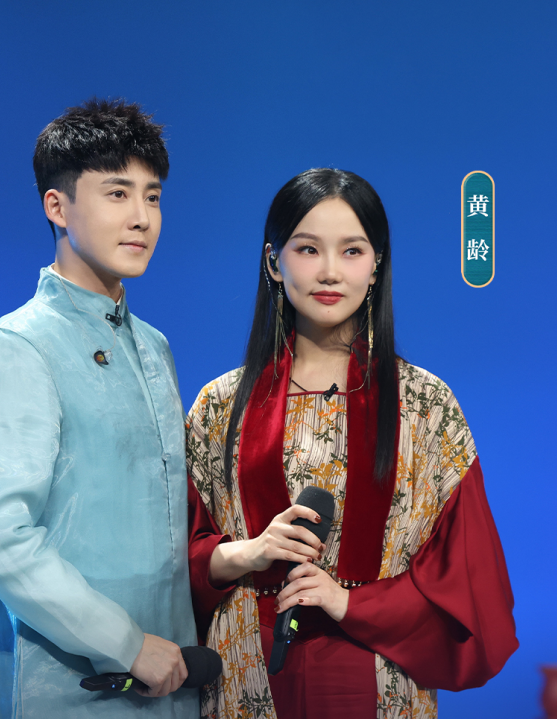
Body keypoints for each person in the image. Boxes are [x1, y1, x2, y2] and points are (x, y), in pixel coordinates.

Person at [185, 169, 518, 718]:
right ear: (274, 262)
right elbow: (171, 562)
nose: (330, 271)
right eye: (308, 249)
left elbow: (467, 578)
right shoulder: (220, 405)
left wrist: (349, 600)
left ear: (376, 263)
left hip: (381, 675)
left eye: (352, 250)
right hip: (246, 672)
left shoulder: (426, 404)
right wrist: (249, 552)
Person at [0, 98, 196, 719]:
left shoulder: (153, 346)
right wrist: (125, 643)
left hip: (173, 683)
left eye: (153, 197)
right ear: (57, 207)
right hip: (71, 693)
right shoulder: (18, 345)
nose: (141, 217)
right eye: (117, 194)